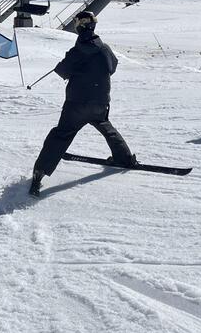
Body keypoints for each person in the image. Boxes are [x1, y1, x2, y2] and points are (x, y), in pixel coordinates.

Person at [29, 11, 135, 197]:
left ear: (79, 27)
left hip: (76, 104)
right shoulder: (105, 49)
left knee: (61, 134)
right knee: (106, 127)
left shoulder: (77, 52)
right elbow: (113, 67)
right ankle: (124, 158)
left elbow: (63, 70)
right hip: (100, 101)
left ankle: (40, 172)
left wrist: (69, 67)